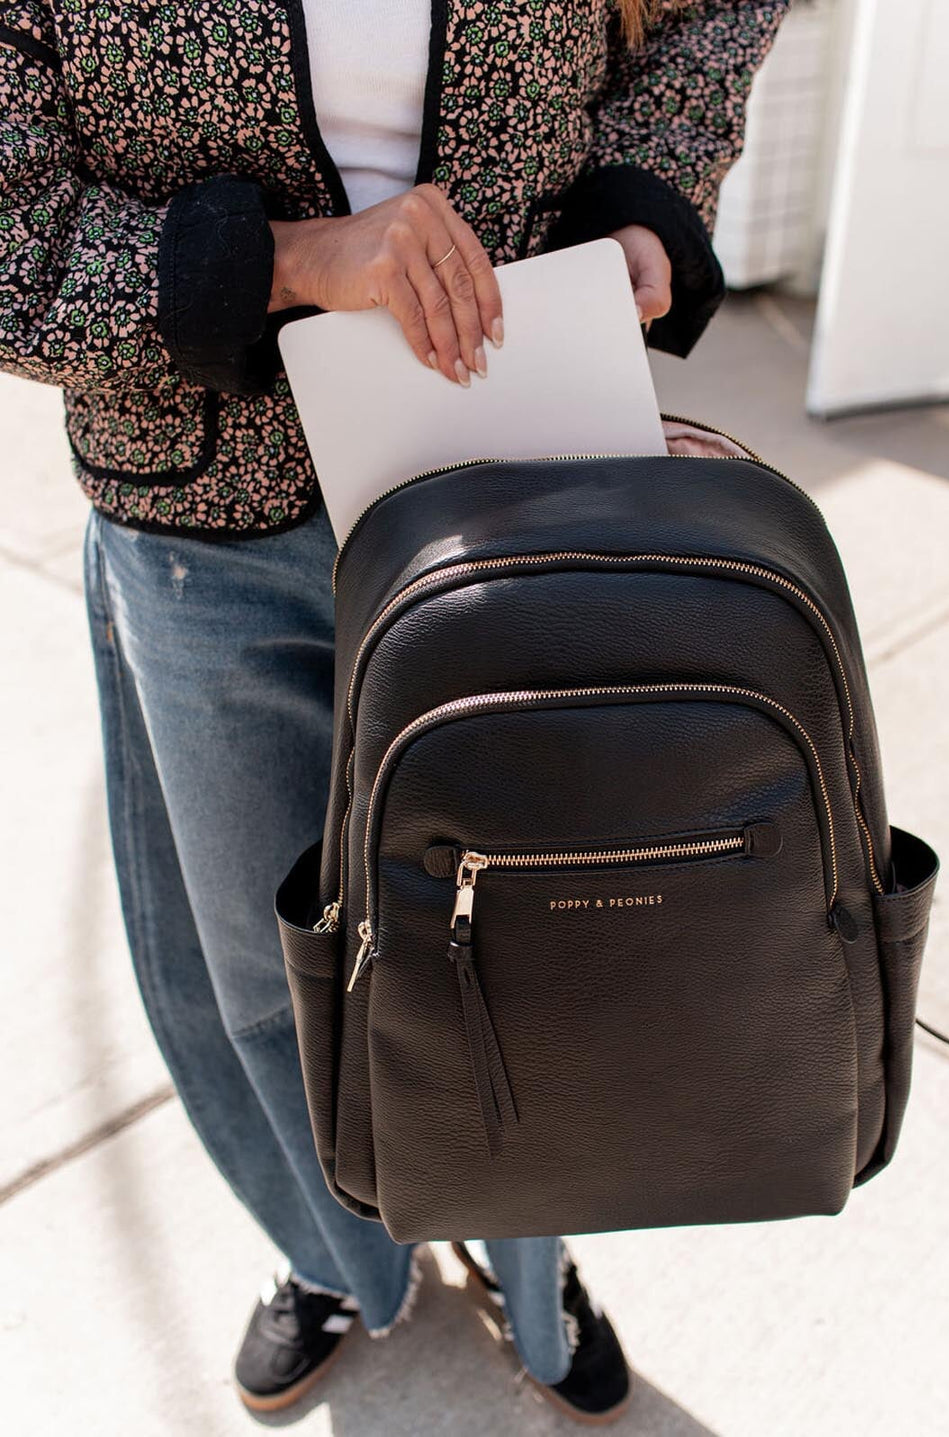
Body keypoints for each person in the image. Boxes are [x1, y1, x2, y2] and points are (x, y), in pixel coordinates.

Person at [0, 0, 788, 1421]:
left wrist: (650, 206)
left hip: (509, 461)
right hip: (198, 513)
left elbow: (720, 10)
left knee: (540, 943)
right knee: (259, 976)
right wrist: (288, 262)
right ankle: (336, 1260)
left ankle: (534, 1267)